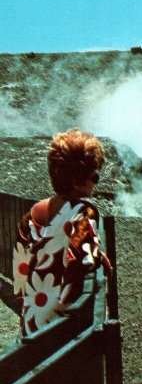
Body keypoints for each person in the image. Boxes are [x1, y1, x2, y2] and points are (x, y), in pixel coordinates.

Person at [11, 129, 111, 336]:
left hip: (32, 324)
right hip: (61, 329)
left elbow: (20, 272)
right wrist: (96, 256)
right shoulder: (83, 214)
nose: (96, 180)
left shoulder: (32, 215)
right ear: (77, 182)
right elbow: (80, 261)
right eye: (95, 176)